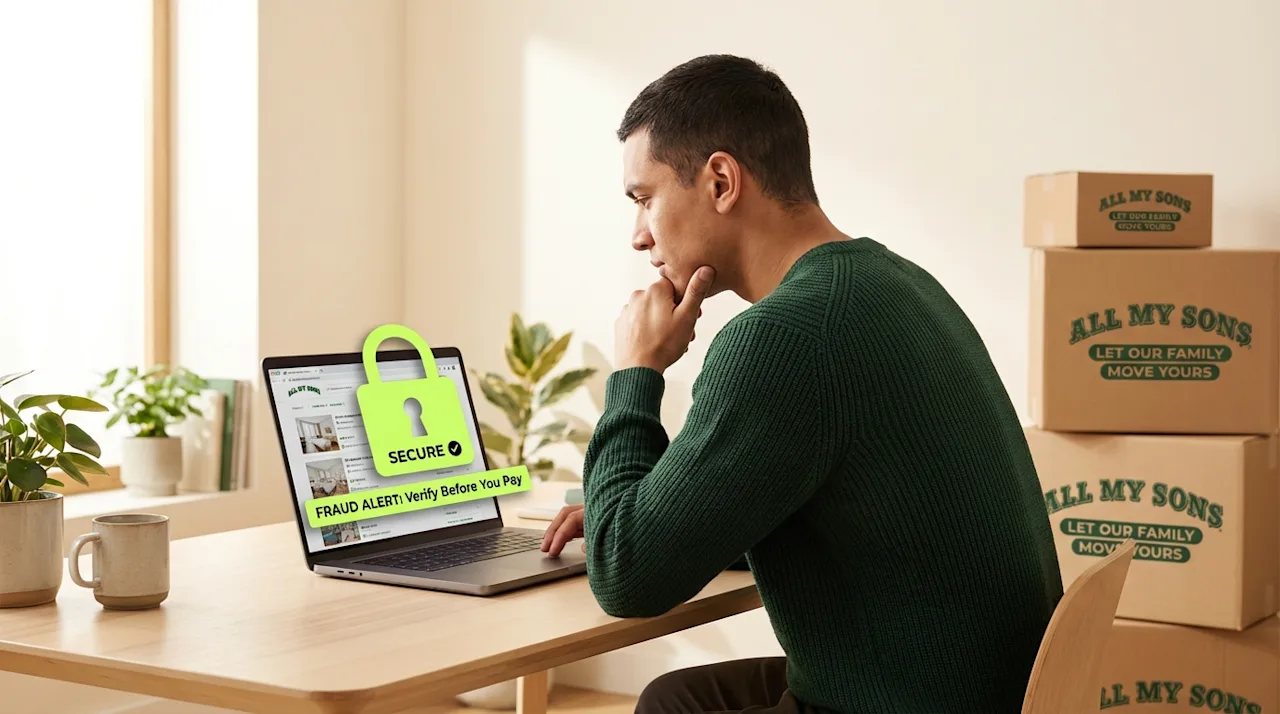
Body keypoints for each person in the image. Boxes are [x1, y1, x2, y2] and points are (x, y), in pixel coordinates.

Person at [540, 54, 1063, 714]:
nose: (638, 236)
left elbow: (626, 577)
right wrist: (669, 511)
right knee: (680, 695)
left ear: (722, 181)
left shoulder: (784, 338)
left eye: (645, 199)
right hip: (976, 689)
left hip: (902, 700)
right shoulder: (898, 284)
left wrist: (637, 373)